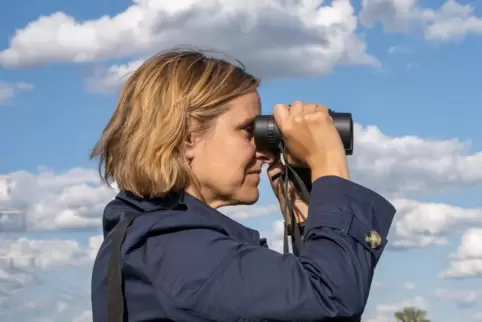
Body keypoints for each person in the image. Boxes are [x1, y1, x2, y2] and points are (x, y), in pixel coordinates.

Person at [90, 49, 396, 322]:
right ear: (187, 138)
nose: (264, 153)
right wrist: (328, 163)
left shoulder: (157, 244)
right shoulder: (172, 250)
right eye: (248, 131)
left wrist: (306, 217)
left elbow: (311, 309)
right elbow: (332, 301)